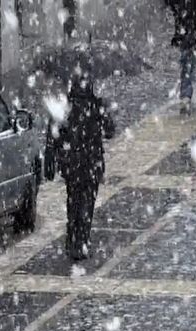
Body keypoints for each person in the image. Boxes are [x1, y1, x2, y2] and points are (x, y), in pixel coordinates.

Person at [51, 71, 116, 261]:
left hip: (72, 163)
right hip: (90, 163)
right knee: (86, 203)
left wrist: (57, 155)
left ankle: (73, 240)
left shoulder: (66, 106)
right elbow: (110, 131)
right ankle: (81, 240)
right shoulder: (95, 105)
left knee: (74, 201)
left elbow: (55, 134)